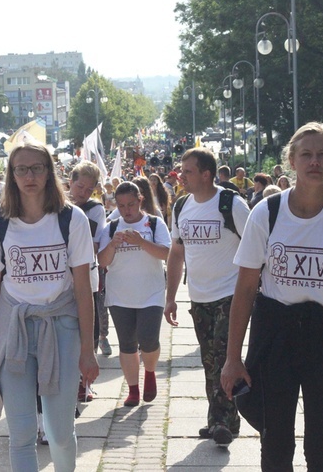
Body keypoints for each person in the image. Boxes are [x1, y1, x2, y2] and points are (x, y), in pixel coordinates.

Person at [221, 122, 323, 471]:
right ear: (292, 161)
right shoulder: (266, 214)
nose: (315, 161)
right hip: (275, 336)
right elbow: (246, 289)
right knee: (276, 443)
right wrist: (232, 357)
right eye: (307, 154)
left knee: (322, 447)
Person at [0, 141, 99, 471]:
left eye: (36, 168)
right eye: (21, 169)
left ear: (49, 172)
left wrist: (89, 349)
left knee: (59, 433)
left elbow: (84, 290)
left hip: (62, 328)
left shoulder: (71, 219)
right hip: (13, 331)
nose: (29, 175)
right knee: (21, 434)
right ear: (12, 175)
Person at [164, 147, 250, 447]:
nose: (180, 176)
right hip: (199, 298)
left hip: (231, 294)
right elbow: (176, 253)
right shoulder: (181, 206)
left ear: (206, 174)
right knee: (210, 359)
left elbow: (255, 247)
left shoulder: (231, 204)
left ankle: (220, 422)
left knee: (223, 357)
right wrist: (171, 296)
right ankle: (229, 416)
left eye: (187, 171)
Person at [98, 181, 170, 407]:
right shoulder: (110, 227)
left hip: (151, 292)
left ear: (140, 200)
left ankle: (149, 372)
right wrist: (112, 245)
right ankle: (133, 390)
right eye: (121, 205)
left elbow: (166, 253)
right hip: (120, 294)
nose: (126, 210)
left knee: (149, 339)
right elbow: (102, 261)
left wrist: (140, 241)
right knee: (127, 343)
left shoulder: (155, 224)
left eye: (130, 204)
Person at [68, 161, 109, 383]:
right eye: (79, 187)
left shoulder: (95, 210)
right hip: (61, 279)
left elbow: (91, 246)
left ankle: (86, 382)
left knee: (89, 330)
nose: (83, 193)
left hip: (87, 277)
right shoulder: (56, 204)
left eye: (89, 190)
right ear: (70, 182)